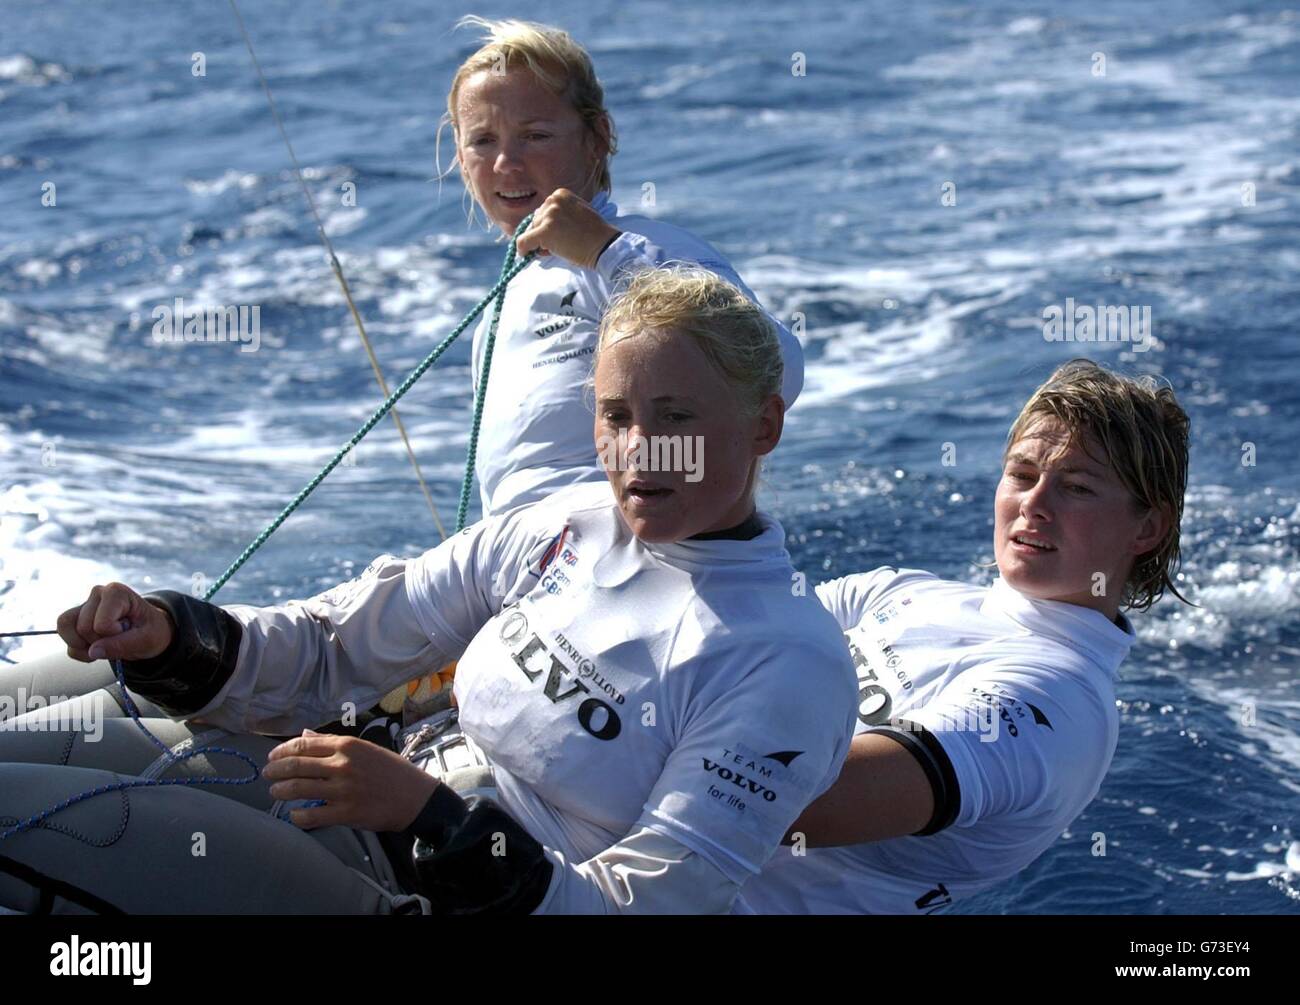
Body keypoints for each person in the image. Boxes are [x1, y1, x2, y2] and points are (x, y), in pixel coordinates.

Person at [0, 15, 804, 716]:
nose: (505, 163)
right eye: (480, 142)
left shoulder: (639, 258)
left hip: (624, 578)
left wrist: (607, 250)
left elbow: (773, 366)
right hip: (517, 573)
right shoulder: (515, 288)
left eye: (536, 136)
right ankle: (177, 641)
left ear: (597, 139)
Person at [0, 266, 857, 915]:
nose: (637, 451)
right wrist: (166, 636)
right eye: (616, 415)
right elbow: (334, 647)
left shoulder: (785, 664)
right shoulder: (565, 522)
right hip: (364, 799)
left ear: (764, 426)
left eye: (677, 419)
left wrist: (431, 817)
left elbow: (631, 910)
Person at [732, 358, 1191, 914]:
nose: (1034, 505)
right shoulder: (897, 591)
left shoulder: (1054, 702)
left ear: (1148, 527)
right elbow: (718, 635)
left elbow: (777, 805)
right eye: (1022, 475)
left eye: (1076, 487)